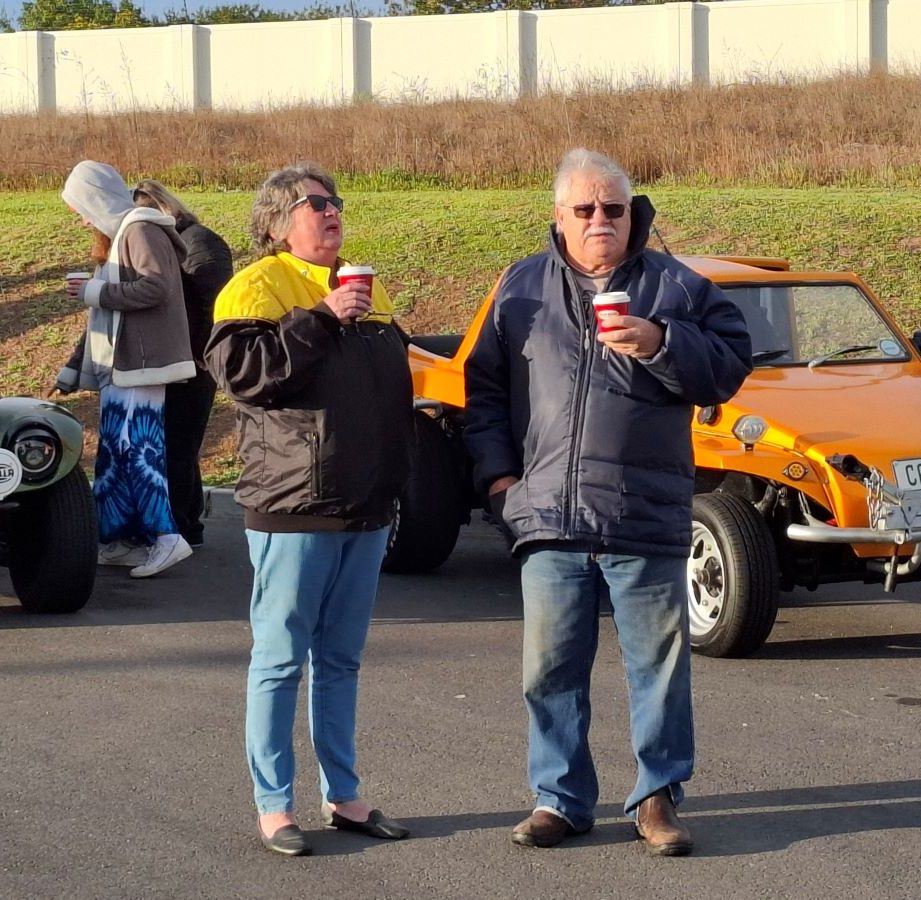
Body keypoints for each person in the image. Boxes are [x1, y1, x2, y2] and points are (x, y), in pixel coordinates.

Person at [463, 148, 752, 856]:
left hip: (642, 515)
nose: (601, 221)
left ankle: (655, 800)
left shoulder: (676, 287)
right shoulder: (521, 287)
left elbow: (732, 367)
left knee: (657, 669)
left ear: (633, 213)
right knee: (549, 669)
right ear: (559, 217)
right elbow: (484, 390)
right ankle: (559, 799)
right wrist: (501, 482)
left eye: (613, 209)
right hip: (550, 518)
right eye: (585, 210)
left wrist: (660, 341)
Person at [205, 162, 414, 857]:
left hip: (365, 503)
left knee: (342, 658)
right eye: (315, 204)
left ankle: (345, 795)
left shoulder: (367, 285)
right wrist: (320, 319)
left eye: (337, 202)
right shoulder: (254, 286)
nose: (332, 213)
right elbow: (244, 376)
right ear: (275, 223)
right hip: (294, 504)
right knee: (278, 659)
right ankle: (273, 806)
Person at [57, 160, 196, 579]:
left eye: (80, 207)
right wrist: (76, 368)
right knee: (117, 455)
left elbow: (157, 287)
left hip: (142, 364)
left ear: (95, 199)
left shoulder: (139, 229)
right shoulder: (123, 233)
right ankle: (116, 540)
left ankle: (166, 537)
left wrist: (94, 290)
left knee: (138, 452)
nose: (79, 218)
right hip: (123, 367)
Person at [133, 179, 234, 548]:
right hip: (184, 358)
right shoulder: (193, 241)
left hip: (193, 361)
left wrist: (200, 352)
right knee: (178, 447)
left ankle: (178, 528)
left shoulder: (197, 242)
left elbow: (213, 303)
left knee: (178, 446)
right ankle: (186, 525)